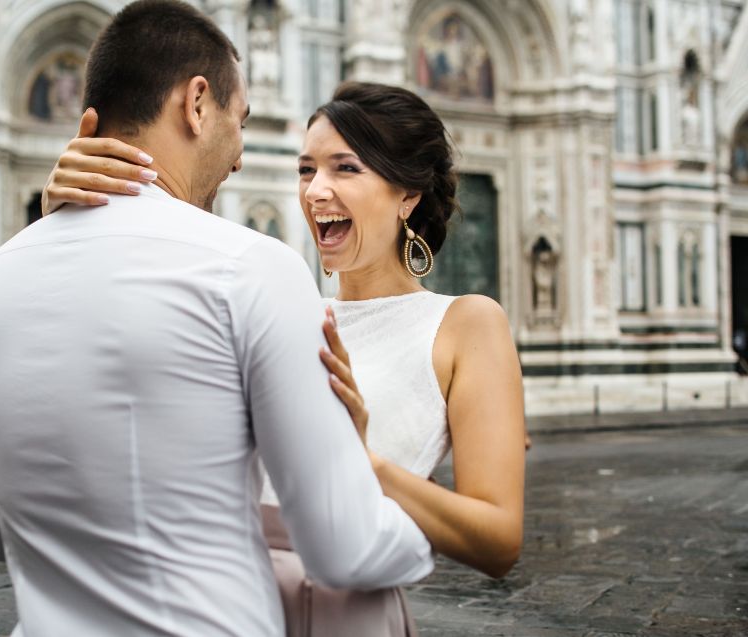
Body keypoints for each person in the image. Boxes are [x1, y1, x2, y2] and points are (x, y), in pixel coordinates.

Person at [0, 2, 436, 636]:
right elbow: (344, 545)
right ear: (197, 104)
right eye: (240, 123)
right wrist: (415, 541)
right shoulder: (251, 268)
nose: (237, 159)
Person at [45, 81, 527, 591]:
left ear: (408, 193)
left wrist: (361, 463)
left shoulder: (466, 323)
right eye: (306, 169)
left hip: (334, 609)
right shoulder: (287, 308)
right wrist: (66, 226)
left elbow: (498, 540)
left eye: (345, 168)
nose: (316, 190)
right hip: (216, 600)